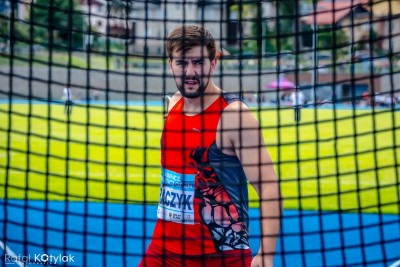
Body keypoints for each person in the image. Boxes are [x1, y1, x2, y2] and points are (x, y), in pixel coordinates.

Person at [139, 25, 282, 267]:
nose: (190, 72)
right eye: (182, 63)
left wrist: (266, 255)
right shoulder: (173, 103)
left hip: (220, 257)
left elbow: (269, 188)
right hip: (164, 250)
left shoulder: (234, 115)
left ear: (213, 64)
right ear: (170, 64)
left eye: (199, 63)